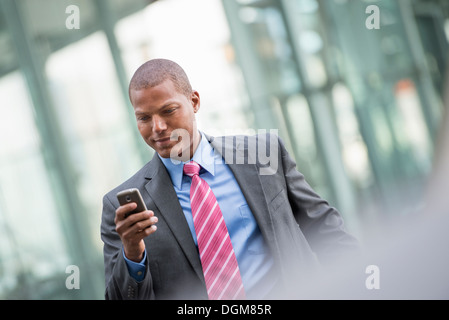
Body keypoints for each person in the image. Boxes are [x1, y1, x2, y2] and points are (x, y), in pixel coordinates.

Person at [100, 58, 360, 300]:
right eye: (144, 118)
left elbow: (323, 226)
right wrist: (133, 252)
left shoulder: (262, 154)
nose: (157, 127)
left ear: (194, 101)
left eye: (168, 110)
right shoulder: (121, 208)